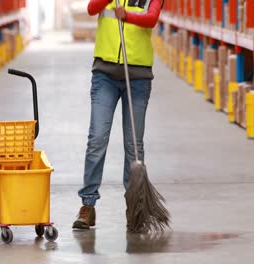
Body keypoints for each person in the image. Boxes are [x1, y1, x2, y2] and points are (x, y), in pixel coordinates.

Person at [73, 0, 163, 230]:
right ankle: (88, 206)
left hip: (138, 77)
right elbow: (92, 8)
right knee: (97, 138)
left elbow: (151, 19)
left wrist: (128, 16)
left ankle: (135, 208)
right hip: (105, 75)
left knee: (134, 145)